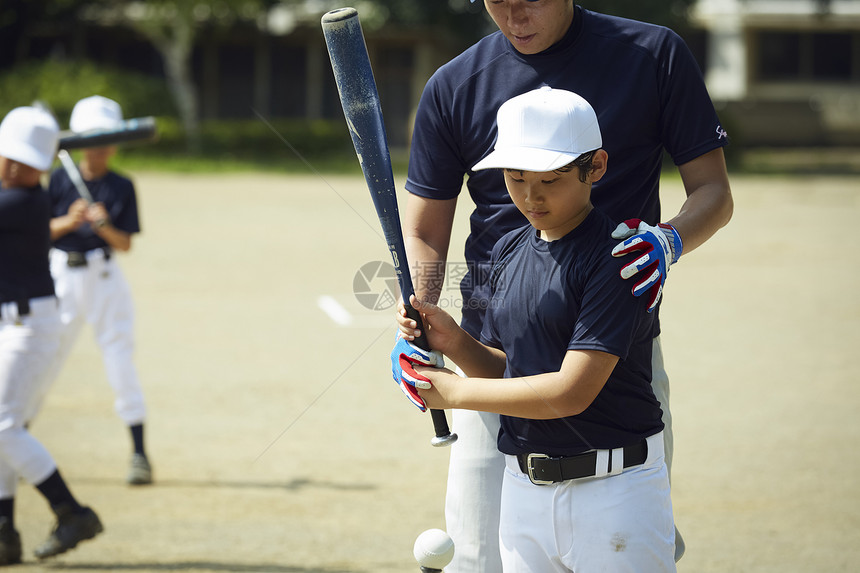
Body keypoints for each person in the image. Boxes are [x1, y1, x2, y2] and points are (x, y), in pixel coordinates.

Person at [395, 1, 733, 570]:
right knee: (479, 556)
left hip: (612, 344)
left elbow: (713, 193)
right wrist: (424, 324)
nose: (514, 13)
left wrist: (667, 241)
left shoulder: (651, 54)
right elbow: (427, 226)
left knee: (631, 531)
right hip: (494, 352)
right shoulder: (455, 84)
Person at [0, 106, 104, 565]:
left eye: (16, 160)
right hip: (14, 323)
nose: (9, 165)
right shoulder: (20, 197)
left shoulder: (21, 201)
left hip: (27, 328)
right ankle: (4, 530)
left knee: (2, 426)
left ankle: (71, 511)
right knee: (7, 429)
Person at [46, 95, 152, 485]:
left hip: (104, 278)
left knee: (120, 360)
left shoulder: (122, 185)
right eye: (94, 138)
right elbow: (40, 232)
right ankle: (15, 441)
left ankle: (139, 452)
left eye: (108, 138)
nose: (102, 147)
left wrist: (103, 226)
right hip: (60, 279)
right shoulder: (58, 179)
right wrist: (67, 222)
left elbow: (124, 244)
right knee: (41, 360)